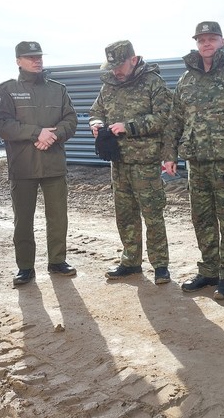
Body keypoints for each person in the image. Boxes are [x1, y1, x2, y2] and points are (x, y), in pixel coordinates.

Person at [162, 22, 224, 300]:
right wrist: (169, 154)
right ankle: (208, 271)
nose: (206, 43)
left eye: (212, 39)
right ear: (196, 43)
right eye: (201, 39)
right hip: (196, 162)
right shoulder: (186, 79)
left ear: (222, 41)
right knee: (201, 218)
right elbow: (175, 119)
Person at [0, 41, 78, 286]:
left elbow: (71, 120)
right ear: (18, 61)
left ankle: (57, 261)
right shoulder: (7, 91)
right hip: (23, 165)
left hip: (53, 164)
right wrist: (36, 133)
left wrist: (53, 135)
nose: (36, 60)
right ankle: (25, 267)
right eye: (30, 57)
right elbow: (1, 124)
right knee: (23, 219)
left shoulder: (58, 90)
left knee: (58, 217)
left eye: (39, 56)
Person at [89, 40, 172, 285]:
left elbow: (164, 118)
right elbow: (96, 111)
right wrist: (96, 123)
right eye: (112, 67)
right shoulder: (109, 85)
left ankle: (160, 265)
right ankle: (130, 262)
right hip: (118, 162)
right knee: (125, 214)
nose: (116, 71)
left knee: (152, 214)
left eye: (120, 65)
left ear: (133, 60)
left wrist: (129, 127)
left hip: (145, 162)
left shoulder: (153, 82)